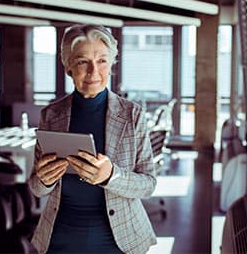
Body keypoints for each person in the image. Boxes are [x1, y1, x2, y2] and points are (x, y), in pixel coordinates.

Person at [28, 24, 157, 254]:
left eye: (102, 61)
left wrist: (110, 176)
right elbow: (36, 187)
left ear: (112, 64)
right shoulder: (51, 115)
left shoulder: (132, 115)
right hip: (60, 239)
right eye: (82, 62)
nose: (93, 71)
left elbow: (148, 184)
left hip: (118, 241)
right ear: (68, 65)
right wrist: (44, 180)